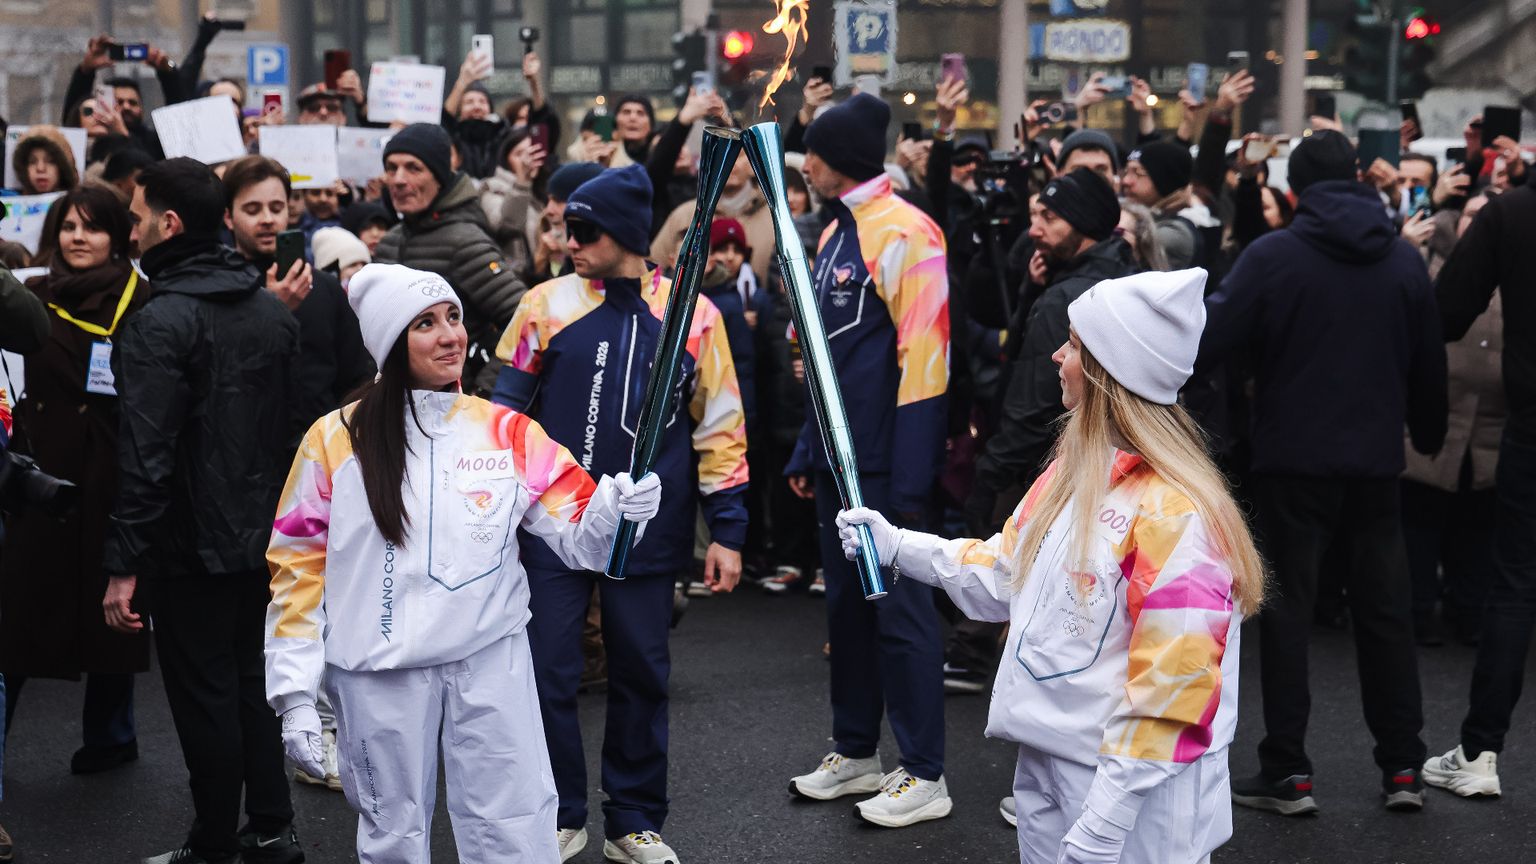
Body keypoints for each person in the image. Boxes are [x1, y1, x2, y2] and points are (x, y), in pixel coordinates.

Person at [838, 267, 1263, 864]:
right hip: (1048, 761)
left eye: (1074, 345)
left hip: (1134, 798)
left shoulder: (1178, 513)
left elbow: (1173, 692)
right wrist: (898, 546)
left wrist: (1106, 822)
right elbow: (1004, 574)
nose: (1058, 356)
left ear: (1107, 371)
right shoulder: (1072, 473)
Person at [264, 263, 662, 863]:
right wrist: (294, 693)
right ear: (390, 342)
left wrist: (618, 511)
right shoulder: (333, 440)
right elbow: (297, 567)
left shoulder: (505, 431)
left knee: (513, 825)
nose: (450, 334)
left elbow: (583, 540)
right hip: (378, 670)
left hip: (488, 659)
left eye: (453, 317)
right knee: (393, 836)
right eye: (425, 323)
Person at [492, 165, 749, 863]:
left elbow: (720, 427)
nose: (567, 239)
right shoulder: (543, 305)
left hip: (647, 528)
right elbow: (502, 420)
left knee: (640, 671)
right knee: (546, 670)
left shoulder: (694, 313)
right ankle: (557, 810)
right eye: (564, 227)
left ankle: (634, 820)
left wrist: (727, 530)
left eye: (583, 229)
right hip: (554, 526)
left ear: (628, 234)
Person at [1197, 130, 1447, 815]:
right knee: (1385, 615)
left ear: (1296, 190)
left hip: (1290, 461)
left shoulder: (1274, 257)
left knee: (1286, 615)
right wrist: (1426, 433)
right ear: (1363, 179)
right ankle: (1403, 767)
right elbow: (1429, 365)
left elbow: (1212, 338)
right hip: (1375, 465)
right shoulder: (1401, 262)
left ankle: (1288, 770)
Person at [101, 157, 303, 864]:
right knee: (249, 681)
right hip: (263, 536)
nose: (128, 228)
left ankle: (214, 842)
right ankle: (273, 829)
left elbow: (145, 456)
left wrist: (123, 565)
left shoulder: (160, 321)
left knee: (206, 694)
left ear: (169, 223)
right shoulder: (268, 309)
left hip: (191, 541)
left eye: (135, 215)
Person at [783, 93, 953, 828]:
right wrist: (806, 445)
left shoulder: (910, 233)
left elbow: (928, 359)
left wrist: (910, 481)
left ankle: (926, 772)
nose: (805, 164)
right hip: (837, 457)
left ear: (831, 158)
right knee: (847, 611)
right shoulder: (832, 234)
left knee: (900, 614)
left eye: (811, 152)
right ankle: (857, 752)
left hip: (884, 466)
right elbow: (825, 356)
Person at [0, 187, 150, 777]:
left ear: (117, 234)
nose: (78, 238)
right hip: (43, 471)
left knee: (116, 610)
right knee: (22, 609)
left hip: (116, 472)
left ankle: (113, 735)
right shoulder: (32, 297)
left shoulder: (142, 302)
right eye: (68, 226)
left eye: (93, 227)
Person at [1421, 151, 1536, 799]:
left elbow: (1447, 312)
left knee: (1515, 585)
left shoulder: (1511, 213)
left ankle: (1480, 751)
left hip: (1532, 424)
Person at [968, 169, 1134, 535]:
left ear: (1084, 222)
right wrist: (1030, 291)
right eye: (1034, 216)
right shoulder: (1126, 277)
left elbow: (1031, 404)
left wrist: (988, 480)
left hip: (1046, 476)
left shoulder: (1065, 300)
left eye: (1050, 217)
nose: (1033, 230)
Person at [1401, 192, 1503, 647]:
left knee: (1475, 531)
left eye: (1488, 218)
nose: (1479, 226)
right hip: (1430, 420)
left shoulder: (1511, 270)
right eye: (1472, 216)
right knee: (1421, 526)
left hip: (1490, 429)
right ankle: (1418, 612)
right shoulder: (1427, 260)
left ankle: (1469, 612)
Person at [222, 156, 374, 440]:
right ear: (229, 217)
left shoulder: (325, 287)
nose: (267, 219)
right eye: (253, 209)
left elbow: (355, 377)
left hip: (321, 449)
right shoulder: (220, 288)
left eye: (276, 207)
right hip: (245, 448)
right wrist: (271, 311)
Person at [374, 123, 527, 394]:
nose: (398, 179)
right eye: (391, 167)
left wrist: (483, 392)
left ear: (440, 177)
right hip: (398, 404)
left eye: (413, 168)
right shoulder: (389, 242)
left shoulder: (465, 242)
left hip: (455, 411)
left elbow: (526, 320)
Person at [1121, 141, 1200, 269]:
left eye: (1138, 173)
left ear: (1165, 180)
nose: (1126, 181)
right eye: (1126, 172)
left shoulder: (1175, 232)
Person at [10, 126, 78, 195]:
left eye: (50, 161)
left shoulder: (79, 203)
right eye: (32, 162)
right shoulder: (9, 202)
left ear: (63, 167)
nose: (40, 168)